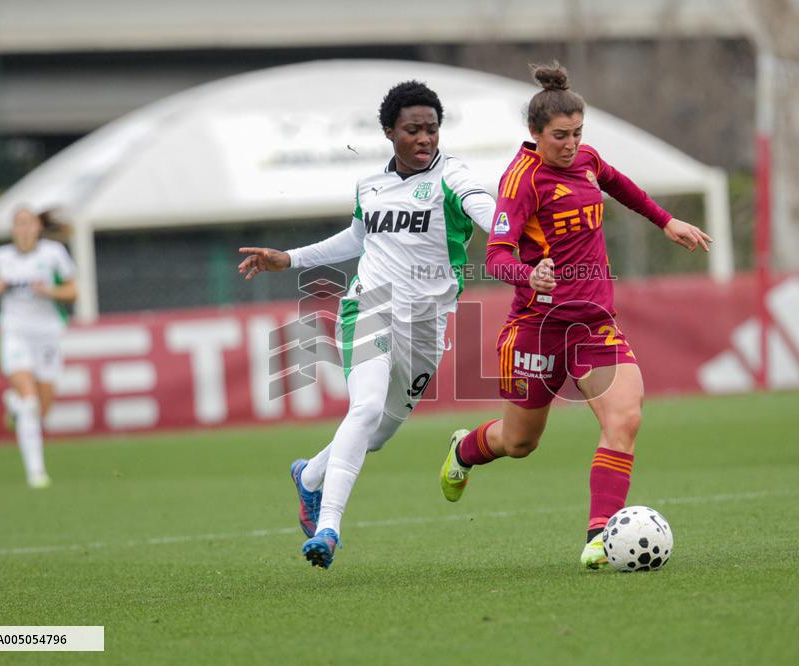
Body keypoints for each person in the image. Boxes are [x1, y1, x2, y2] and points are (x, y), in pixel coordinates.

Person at [438, 62, 712, 570]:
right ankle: (465, 450)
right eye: (560, 135)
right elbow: (496, 255)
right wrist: (529, 276)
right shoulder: (521, 182)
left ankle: (599, 537)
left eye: (577, 133)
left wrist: (665, 220)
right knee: (520, 442)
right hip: (536, 330)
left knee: (624, 419)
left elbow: (621, 184)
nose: (571, 143)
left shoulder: (586, 160)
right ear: (535, 134)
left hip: (594, 325)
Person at [238, 81, 494, 568]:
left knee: (377, 432)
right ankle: (328, 527)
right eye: (413, 130)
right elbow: (356, 238)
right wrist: (288, 258)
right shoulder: (369, 187)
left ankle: (310, 476)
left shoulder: (453, 177)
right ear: (388, 132)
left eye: (432, 129)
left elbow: (486, 210)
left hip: (428, 324)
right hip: (369, 304)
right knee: (366, 408)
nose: (425, 139)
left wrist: (511, 232)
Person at [0, 207, 78, 488]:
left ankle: (13, 405)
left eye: (28, 223)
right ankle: (36, 472)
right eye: (18, 224)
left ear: (37, 227)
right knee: (30, 399)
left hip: (48, 335)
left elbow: (74, 291)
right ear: (12, 229)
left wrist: (49, 291)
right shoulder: (0, 258)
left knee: (40, 410)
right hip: (15, 333)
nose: (23, 229)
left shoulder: (53, 254)